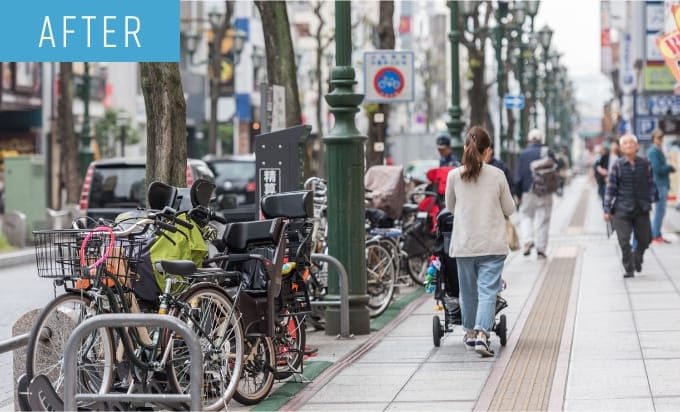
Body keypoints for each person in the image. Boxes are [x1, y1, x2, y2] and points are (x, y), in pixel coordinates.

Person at [444, 125, 515, 357]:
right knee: (487, 291)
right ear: (488, 151)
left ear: (466, 147)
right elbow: (509, 208)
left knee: (467, 292)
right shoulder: (497, 175)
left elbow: (450, 207)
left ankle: (470, 334)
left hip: (464, 243)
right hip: (492, 243)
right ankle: (483, 334)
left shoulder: (454, 175)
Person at [603, 134, 657, 278]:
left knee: (645, 239)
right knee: (624, 241)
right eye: (625, 144)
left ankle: (637, 258)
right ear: (621, 148)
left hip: (641, 207)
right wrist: (607, 209)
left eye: (631, 143)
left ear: (637, 146)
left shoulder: (645, 163)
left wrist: (651, 199)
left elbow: (652, 184)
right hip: (622, 208)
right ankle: (629, 268)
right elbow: (610, 189)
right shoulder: (617, 165)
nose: (628, 146)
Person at [513, 129, 558, 259]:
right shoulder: (548, 152)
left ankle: (527, 241)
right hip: (545, 191)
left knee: (526, 216)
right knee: (543, 220)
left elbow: (518, 176)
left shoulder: (523, 154)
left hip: (528, 191)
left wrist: (518, 193)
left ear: (529, 140)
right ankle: (541, 248)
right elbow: (556, 170)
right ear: (541, 139)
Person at [647, 129, 676, 244]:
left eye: (661, 138)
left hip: (662, 183)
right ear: (653, 139)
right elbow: (657, 168)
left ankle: (657, 233)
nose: (660, 140)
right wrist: (670, 168)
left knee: (661, 210)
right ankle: (655, 235)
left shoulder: (658, 150)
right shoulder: (653, 151)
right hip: (659, 184)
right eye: (658, 138)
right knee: (659, 210)